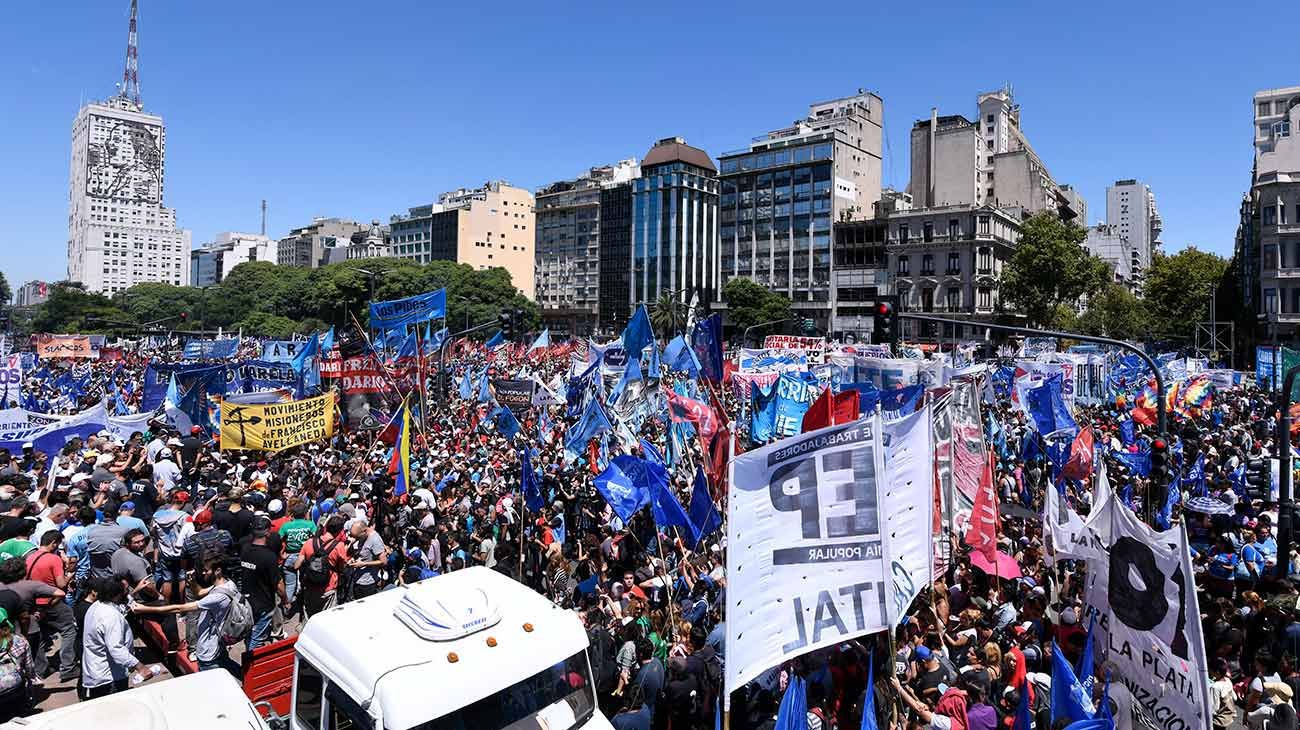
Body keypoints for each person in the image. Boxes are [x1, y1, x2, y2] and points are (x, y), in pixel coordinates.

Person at [131, 556, 242, 676]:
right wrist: (193, 581)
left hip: (208, 651)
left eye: (206, 570)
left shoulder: (218, 597)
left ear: (218, 571)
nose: (203, 573)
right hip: (218, 645)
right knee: (228, 666)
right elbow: (199, 593)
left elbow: (179, 608)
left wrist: (145, 609)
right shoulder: (228, 585)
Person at [80, 578, 155, 699]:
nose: (128, 592)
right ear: (117, 594)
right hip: (110, 680)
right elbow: (116, 649)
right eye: (126, 590)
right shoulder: (110, 616)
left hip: (95, 674)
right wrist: (141, 668)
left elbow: (121, 608)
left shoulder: (96, 607)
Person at [25, 531, 78, 682]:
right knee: (69, 630)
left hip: (33, 605)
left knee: (40, 635)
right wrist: (69, 575)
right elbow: (61, 584)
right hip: (52, 603)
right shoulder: (53, 559)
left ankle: (41, 669)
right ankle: (68, 667)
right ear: (53, 543)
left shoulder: (29, 558)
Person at [239, 515, 287, 651]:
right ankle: (250, 666)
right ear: (267, 532)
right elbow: (278, 584)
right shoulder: (269, 557)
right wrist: (285, 600)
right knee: (257, 638)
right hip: (264, 603)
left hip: (248, 600)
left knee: (250, 634)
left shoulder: (245, 549)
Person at [297, 516, 348, 618]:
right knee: (327, 618)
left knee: (310, 617)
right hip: (328, 588)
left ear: (326, 528)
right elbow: (342, 568)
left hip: (310, 586)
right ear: (340, 531)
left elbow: (297, 565)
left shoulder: (309, 542)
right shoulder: (339, 546)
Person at [345, 520, 389, 601]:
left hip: (367, 584)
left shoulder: (375, 540)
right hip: (356, 578)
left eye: (357, 537)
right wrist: (353, 559)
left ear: (364, 531)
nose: (355, 539)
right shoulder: (362, 536)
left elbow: (383, 561)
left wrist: (364, 564)